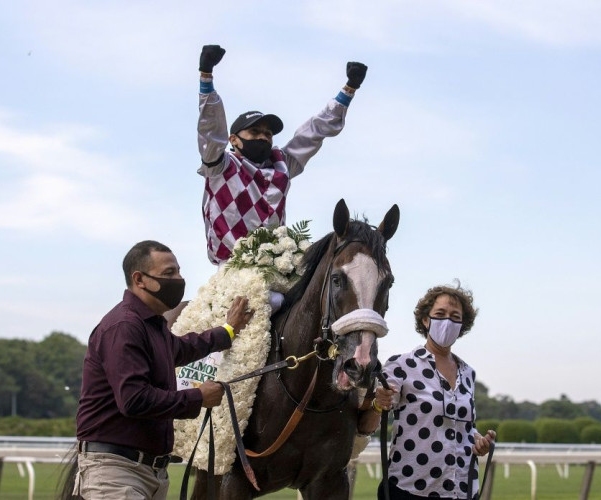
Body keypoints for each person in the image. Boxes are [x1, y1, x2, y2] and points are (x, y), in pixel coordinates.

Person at [73, 240, 253, 500]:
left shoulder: (151, 326)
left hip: (149, 472)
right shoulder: (124, 327)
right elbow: (134, 400)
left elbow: (184, 348)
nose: (179, 280)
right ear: (140, 279)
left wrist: (228, 330)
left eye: (178, 271)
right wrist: (198, 397)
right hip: (115, 471)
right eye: (169, 273)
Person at [197, 44, 368, 267]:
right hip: (232, 268)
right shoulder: (220, 165)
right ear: (234, 140)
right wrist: (206, 75)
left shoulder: (282, 165)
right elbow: (211, 129)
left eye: (268, 134)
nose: (263, 137)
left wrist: (348, 89)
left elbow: (314, 132)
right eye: (255, 132)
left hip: (277, 265)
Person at [369, 283, 496, 500]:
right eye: (440, 314)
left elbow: (463, 427)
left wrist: (478, 441)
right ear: (426, 320)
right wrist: (378, 401)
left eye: (455, 316)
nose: (448, 321)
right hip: (411, 489)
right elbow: (379, 408)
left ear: (462, 325)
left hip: (462, 488)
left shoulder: (468, 373)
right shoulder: (402, 365)